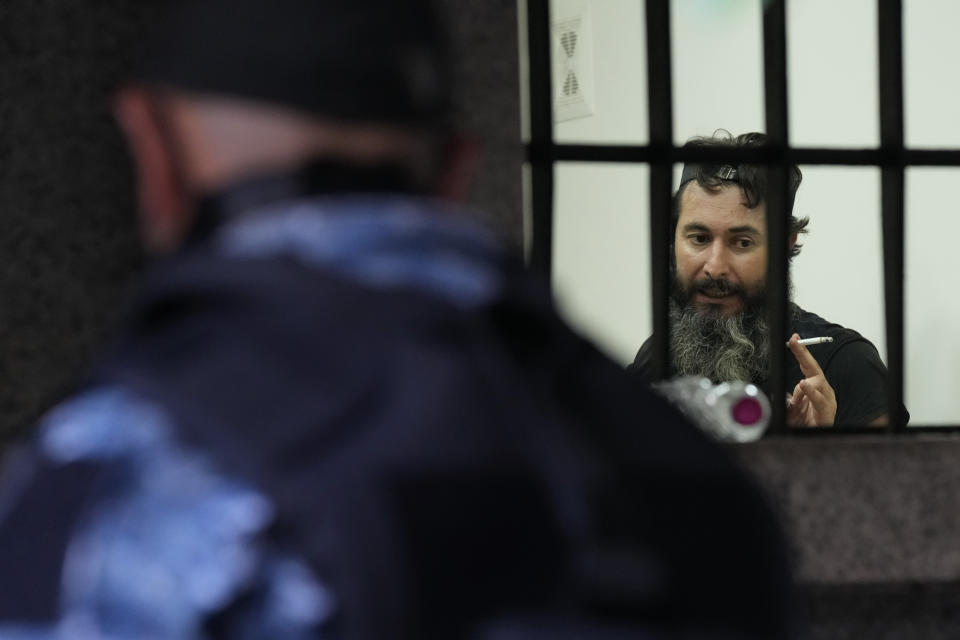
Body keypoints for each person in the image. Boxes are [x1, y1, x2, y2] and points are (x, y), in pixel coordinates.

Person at [0, 3, 796, 638]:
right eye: (698, 236)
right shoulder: (691, 480)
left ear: (155, 154)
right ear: (454, 170)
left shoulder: (131, 467)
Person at [627, 131, 899, 427]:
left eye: (742, 242)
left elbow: (904, 473)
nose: (715, 267)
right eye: (699, 238)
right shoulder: (655, 359)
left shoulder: (846, 364)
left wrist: (821, 451)